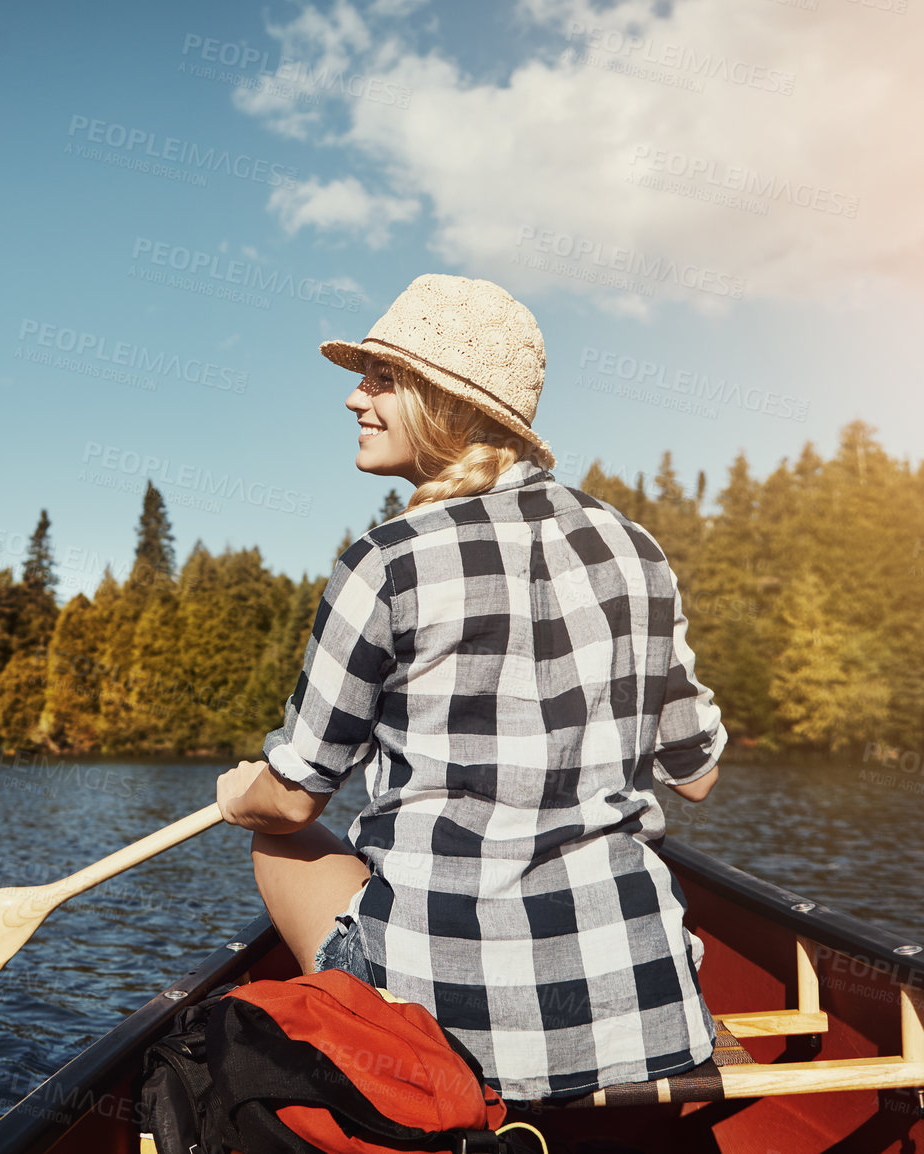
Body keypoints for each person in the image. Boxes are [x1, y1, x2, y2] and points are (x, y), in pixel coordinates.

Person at [214, 273, 726, 1104]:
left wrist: (242, 796)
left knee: (280, 844)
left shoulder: (384, 560)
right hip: (641, 1010)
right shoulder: (638, 549)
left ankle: (384, 1045)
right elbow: (696, 775)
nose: (354, 398)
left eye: (382, 379)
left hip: (443, 1029)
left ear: (447, 404)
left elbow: (297, 798)